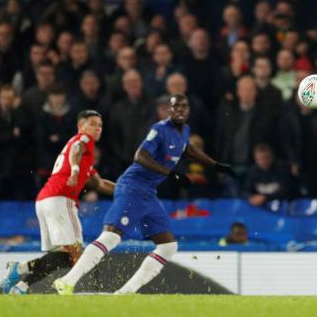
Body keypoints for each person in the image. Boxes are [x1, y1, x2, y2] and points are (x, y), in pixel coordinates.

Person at [53, 95, 235, 295]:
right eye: (176, 106)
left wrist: (216, 165)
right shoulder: (159, 130)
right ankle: (66, 281)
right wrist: (170, 173)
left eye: (184, 106)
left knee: (168, 247)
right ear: (169, 110)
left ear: (188, 110)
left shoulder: (185, 131)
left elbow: (189, 149)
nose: (181, 110)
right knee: (111, 237)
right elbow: (140, 156)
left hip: (148, 194)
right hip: (132, 187)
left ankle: (126, 293)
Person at [0, 110, 116, 294]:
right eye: (92, 123)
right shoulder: (83, 140)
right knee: (76, 252)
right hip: (61, 199)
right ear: (81, 126)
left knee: (64, 255)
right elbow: (77, 150)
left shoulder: (82, 156)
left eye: (100, 125)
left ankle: (21, 284)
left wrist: (127, 192)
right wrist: (75, 170)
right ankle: (77, 289)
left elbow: (100, 184)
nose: (97, 128)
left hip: (46, 200)